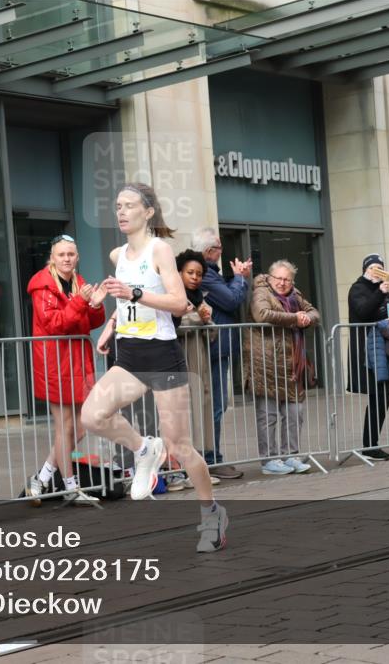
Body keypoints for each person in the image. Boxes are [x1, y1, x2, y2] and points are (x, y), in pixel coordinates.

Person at [80, 183, 228, 553]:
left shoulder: (159, 250)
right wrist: (110, 323)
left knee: (180, 446)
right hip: (129, 355)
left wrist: (135, 294)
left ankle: (211, 513)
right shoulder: (118, 254)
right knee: (92, 416)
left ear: (148, 212)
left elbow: (179, 303)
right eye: (118, 205)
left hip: (162, 356)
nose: (121, 211)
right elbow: (124, 299)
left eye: (129, 205)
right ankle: (144, 448)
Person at [24, 235, 107, 506]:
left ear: (77, 257)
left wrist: (96, 304)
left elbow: (90, 322)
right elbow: (55, 324)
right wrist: (82, 303)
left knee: (82, 426)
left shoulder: (79, 282)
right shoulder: (42, 285)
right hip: (55, 363)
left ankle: (41, 478)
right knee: (66, 425)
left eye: (71, 254)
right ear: (52, 258)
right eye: (61, 254)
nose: (67, 259)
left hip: (77, 361)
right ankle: (70, 487)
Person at [244, 260, 319, 475]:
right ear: (270, 277)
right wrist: (295, 318)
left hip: (291, 364)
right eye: (279, 278)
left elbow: (314, 313)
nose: (283, 283)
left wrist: (306, 318)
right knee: (268, 415)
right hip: (266, 362)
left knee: (295, 413)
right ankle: (269, 460)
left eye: (287, 279)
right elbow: (262, 314)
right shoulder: (261, 291)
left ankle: (291, 455)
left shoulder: (296, 295)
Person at [192, 227, 252, 480]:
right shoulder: (205, 275)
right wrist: (239, 278)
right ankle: (210, 459)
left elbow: (228, 296)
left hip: (216, 348)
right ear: (209, 251)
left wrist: (237, 280)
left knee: (215, 405)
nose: (221, 251)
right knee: (214, 406)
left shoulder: (210, 273)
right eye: (219, 248)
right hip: (212, 349)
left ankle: (210, 457)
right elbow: (230, 300)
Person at [346, 254, 389, 461]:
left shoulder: (385, 289)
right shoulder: (358, 288)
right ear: (365, 269)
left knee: (382, 397)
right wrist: (379, 293)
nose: (376, 270)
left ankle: (371, 445)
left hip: (383, 351)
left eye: (379, 267)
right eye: (372, 267)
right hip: (367, 353)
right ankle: (370, 446)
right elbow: (363, 312)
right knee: (378, 396)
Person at [172, 249, 218, 490]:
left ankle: (198, 469)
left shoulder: (201, 298)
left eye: (199, 274)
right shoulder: (171, 296)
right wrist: (198, 319)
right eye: (190, 272)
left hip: (199, 364)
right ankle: (178, 470)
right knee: (181, 416)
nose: (194, 277)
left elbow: (213, 333)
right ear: (179, 272)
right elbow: (172, 324)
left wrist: (208, 320)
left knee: (200, 414)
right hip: (179, 364)